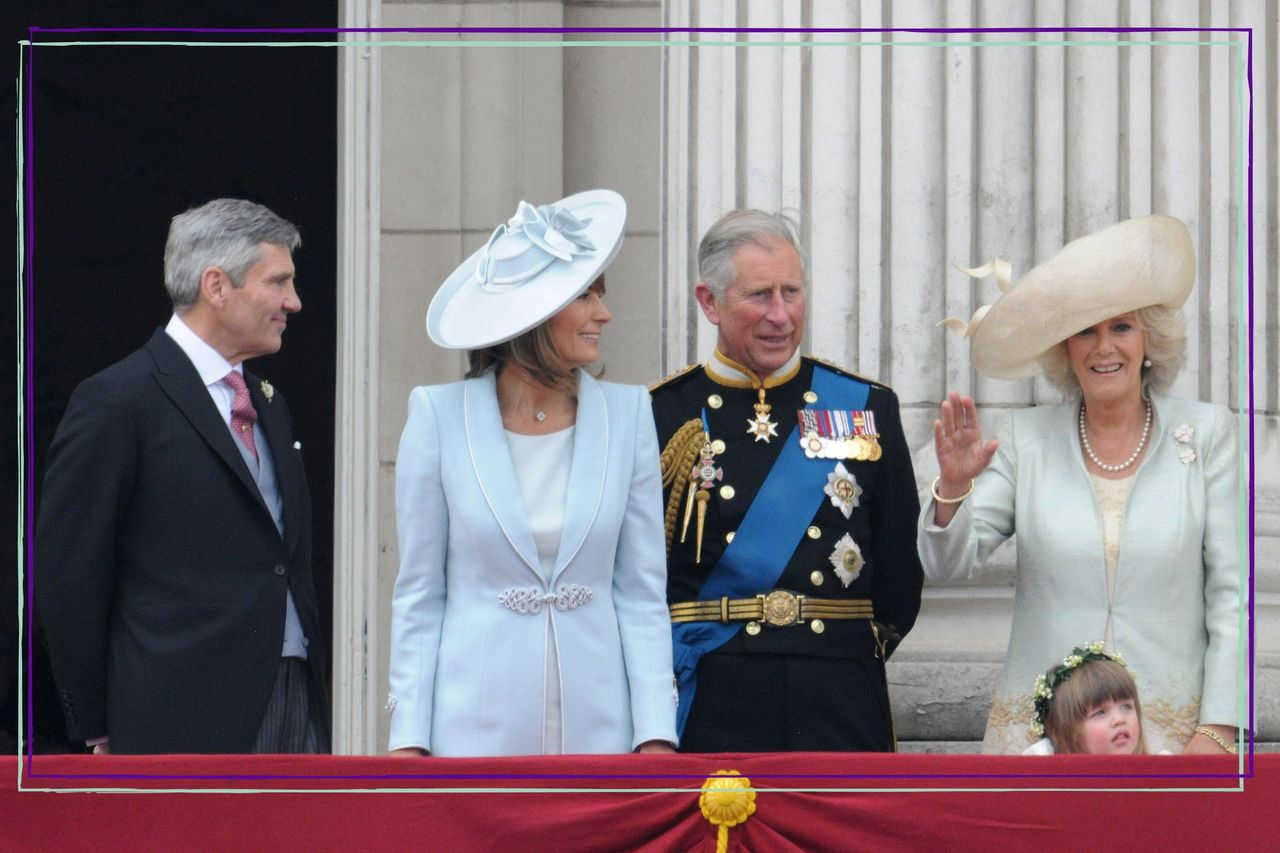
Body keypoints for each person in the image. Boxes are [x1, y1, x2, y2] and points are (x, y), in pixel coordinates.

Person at [919, 214, 1241, 755]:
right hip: (1042, 743)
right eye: (1084, 331)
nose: (1103, 348)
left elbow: (1232, 597)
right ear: (1063, 348)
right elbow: (949, 565)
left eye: (1121, 327)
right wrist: (952, 487)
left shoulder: (1209, 433)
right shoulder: (1026, 438)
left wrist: (1219, 728)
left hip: (1175, 740)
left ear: (1149, 339)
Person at [387, 190, 676, 757]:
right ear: (537, 313)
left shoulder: (629, 413)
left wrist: (655, 733)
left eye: (601, 295)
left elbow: (642, 593)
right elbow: (421, 594)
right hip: (472, 732)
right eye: (586, 297)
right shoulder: (437, 416)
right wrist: (409, 741)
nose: (604, 314)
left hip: (602, 733)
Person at [36, 198, 329, 754]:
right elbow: (71, 572)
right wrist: (95, 722)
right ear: (216, 286)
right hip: (177, 713)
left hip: (291, 696)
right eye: (278, 282)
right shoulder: (116, 401)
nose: (294, 301)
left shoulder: (270, 402)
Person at [650, 209, 924, 752]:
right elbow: (640, 579)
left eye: (792, 292)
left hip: (838, 688)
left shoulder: (867, 407)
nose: (782, 315)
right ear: (710, 302)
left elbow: (898, 579)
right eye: (760, 295)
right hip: (712, 689)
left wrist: (841, 654)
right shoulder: (660, 415)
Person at [1022, 642, 1154, 756]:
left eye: (1126, 707)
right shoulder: (1050, 781)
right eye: (1100, 713)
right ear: (1067, 733)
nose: (1119, 719)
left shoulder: (1158, 776)